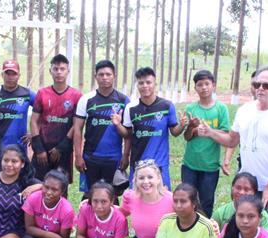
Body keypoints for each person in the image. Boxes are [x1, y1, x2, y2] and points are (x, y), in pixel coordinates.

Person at [198, 65, 268, 238]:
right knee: (242, 228)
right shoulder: (245, 110)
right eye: (257, 84)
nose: (260, 88)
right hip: (247, 185)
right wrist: (211, 133)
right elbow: (232, 140)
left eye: (266, 85)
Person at [119, 67, 188, 188]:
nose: (145, 86)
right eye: (141, 83)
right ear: (137, 85)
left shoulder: (166, 105)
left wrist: (182, 125)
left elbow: (174, 132)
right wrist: (117, 125)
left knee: (163, 202)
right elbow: (128, 135)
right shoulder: (131, 107)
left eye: (148, 82)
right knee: (136, 201)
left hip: (160, 165)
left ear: (154, 83)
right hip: (138, 164)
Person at [73, 60, 130, 195]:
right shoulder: (86, 99)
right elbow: (77, 130)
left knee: (112, 196)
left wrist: (126, 156)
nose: (105, 78)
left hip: (114, 158)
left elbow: (128, 133)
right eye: (101, 74)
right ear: (95, 77)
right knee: (89, 196)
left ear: (114, 76)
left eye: (108, 74)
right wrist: (78, 156)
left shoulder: (124, 100)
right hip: (90, 157)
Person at [183, 70, 231, 216]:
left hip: (210, 167)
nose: (203, 87)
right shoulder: (191, 108)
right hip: (190, 164)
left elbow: (226, 134)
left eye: (207, 84)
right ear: (195, 88)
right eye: (199, 84)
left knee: (206, 201)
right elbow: (187, 136)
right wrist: (192, 128)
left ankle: (205, 231)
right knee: (188, 199)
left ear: (213, 85)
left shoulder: (221, 109)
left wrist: (210, 131)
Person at [29, 54, 83, 183]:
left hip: (63, 150)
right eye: (55, 69)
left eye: (62, 69)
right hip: (43, 148)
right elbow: (34, 121)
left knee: (60, 187)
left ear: (68, 71)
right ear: (50, 71)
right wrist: (39, 148)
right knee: (36, 185)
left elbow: (77, 125)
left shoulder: (76, 95)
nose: (59, 72)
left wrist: (62, 147)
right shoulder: (42, 93)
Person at [0, 60, 36, 147]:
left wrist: (34, 133)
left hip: (20, 146)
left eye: (14, 74)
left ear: (19, 76)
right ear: (2, 75)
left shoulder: (28, 94)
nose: (10, 77)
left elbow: (43, 112)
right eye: (7, 73)